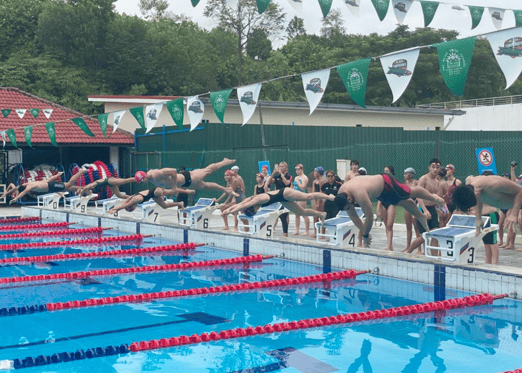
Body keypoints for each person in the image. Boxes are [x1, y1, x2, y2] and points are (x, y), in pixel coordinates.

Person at [333, 173, 445, 248]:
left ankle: (435, 198)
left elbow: (369, 217)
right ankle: (420, 216)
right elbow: (353, 216)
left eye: (349, 206)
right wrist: (364, 232)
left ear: (348, 198)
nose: (350, 208)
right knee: (401, 202)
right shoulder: (341, 194)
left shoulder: (359, 194)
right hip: (380, 193)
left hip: (387, 183)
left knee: (410, 192)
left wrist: (365, 235)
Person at [451, 174, 522, 237]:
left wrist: (514, 214)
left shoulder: (494, 184)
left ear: (476, 194)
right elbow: (479, 199)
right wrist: (478, 218)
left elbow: (520, 191)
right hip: (511, 204)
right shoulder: (473, 189)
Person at [403, 159, 447, 255]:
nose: (435, 169)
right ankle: (408, 252)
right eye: (433, 167)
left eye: (437, 167)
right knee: (423, 236)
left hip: (432, 209)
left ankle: (435, 258)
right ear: (429, 167)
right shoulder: (424, 179)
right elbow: (419, 196)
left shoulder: (437, 181)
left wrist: (441, 207)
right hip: (423, 209)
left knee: (435, 234)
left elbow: (434, 197)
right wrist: (425, 210)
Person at [136, 158, 238, 196]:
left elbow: (173, 171)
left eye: (141, 182)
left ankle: (224, 162)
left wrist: (174, 187)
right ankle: (226, 190)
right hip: (187, 184)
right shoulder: (150, 178)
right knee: (208, 186)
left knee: (207, 171)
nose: (142, 183)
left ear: (144, 177)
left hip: (189, 177)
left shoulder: (156, 174)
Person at [221, 187, 332, 222]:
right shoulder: (254, 201)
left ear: (253, 209)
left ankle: (329, 196)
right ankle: (322, 214)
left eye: (254, 212)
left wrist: (227, 211)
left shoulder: (258, 199)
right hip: (282, 199)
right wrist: (230, 209)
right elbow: (242, 203)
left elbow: (243, 206)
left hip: (285, 193)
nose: (256, 212)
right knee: (302, 212)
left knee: (309, 197)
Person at [6, 169, 88, 204]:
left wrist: (16, 199)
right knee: (68, 188)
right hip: (51, 186)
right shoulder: (29, 183)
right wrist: (57, 175)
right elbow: (17, 188)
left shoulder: (28, 187)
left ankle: (80, 172)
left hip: (51, 186)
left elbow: (23, 192)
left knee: (69, 184)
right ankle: (84, 189)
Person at [107, 187, 184, 215]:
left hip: (156, 191)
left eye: (133, 208)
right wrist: (115, 209)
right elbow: (124, 203)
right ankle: (179, 203)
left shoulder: (136, 199)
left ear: (132, 206)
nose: (135, 207)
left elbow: (124, 205)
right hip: (153, 195)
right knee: (165, 206)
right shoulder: (131, 199)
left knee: (171, 191)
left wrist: (115, 209)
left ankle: (184, 190)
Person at [265, 161, 292, 237]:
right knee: (275, 215)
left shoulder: (288, 176)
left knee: (284, 216)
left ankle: (285, 233)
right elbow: (268, 182)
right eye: (279, 166)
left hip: (285, 198)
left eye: (282, 166)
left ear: (286, 168)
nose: (280, 168)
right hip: (277, 198)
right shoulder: (277, 177)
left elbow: (287, 183)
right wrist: (273, 173)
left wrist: (281, 174)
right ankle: (271, 230)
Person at [376, 166, 397, 251]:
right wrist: (378, 209)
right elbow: (379, 196)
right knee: (386, 226)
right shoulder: (382, 182)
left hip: (391, 203)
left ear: (391, 173)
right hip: (383, 203)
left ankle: (389, 246)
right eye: (384, 171)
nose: (385, 172)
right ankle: (389, 245)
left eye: (387, 171)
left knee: (389, 225)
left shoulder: (395, 182)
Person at [403, 167, 421, 252]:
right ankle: (408, 246)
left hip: (414, 205)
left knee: (417, 228)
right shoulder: (406, 183)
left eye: (406, 174)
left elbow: (419, 195)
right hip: (407, 206)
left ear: (410, 175)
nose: (404, 175)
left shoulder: (416, 182)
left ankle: (419, 249)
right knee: (408, 227)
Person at [321, 170, 342, 240]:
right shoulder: (324, 186)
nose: (330, 178)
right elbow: (322, 194)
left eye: (331, 176)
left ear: (334, 177)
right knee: (326, 220)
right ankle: (329, 234)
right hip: (327, 206)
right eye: (328, 176)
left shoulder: (338, 185)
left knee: (335, 220)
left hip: (335, 206)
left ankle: (335, 235)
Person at [293, 164, 310, 236]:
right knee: (296, 214)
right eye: (296, 170)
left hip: (302, 197)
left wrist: (297, 181)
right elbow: (294, 187)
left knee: (303, 213)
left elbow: (302, 188)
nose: (297, 171)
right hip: (295, 197)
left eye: (298, 170)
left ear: (302, 170)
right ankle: (297, 230)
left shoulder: (304, 178)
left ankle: (307, 230)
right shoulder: (296, 177)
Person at [311, 166, 327, 238]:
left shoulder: (322, 181)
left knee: (322, 216)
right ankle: (316, 232)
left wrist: (318, 203)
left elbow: (321, 192)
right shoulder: (314, 181)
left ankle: (323, 233)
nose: (314, 173)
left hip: (321, 201)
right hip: (316, 200)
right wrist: (314, 202)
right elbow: (313, 192)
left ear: (319, 173)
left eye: (315, 172)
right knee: (315, 217)